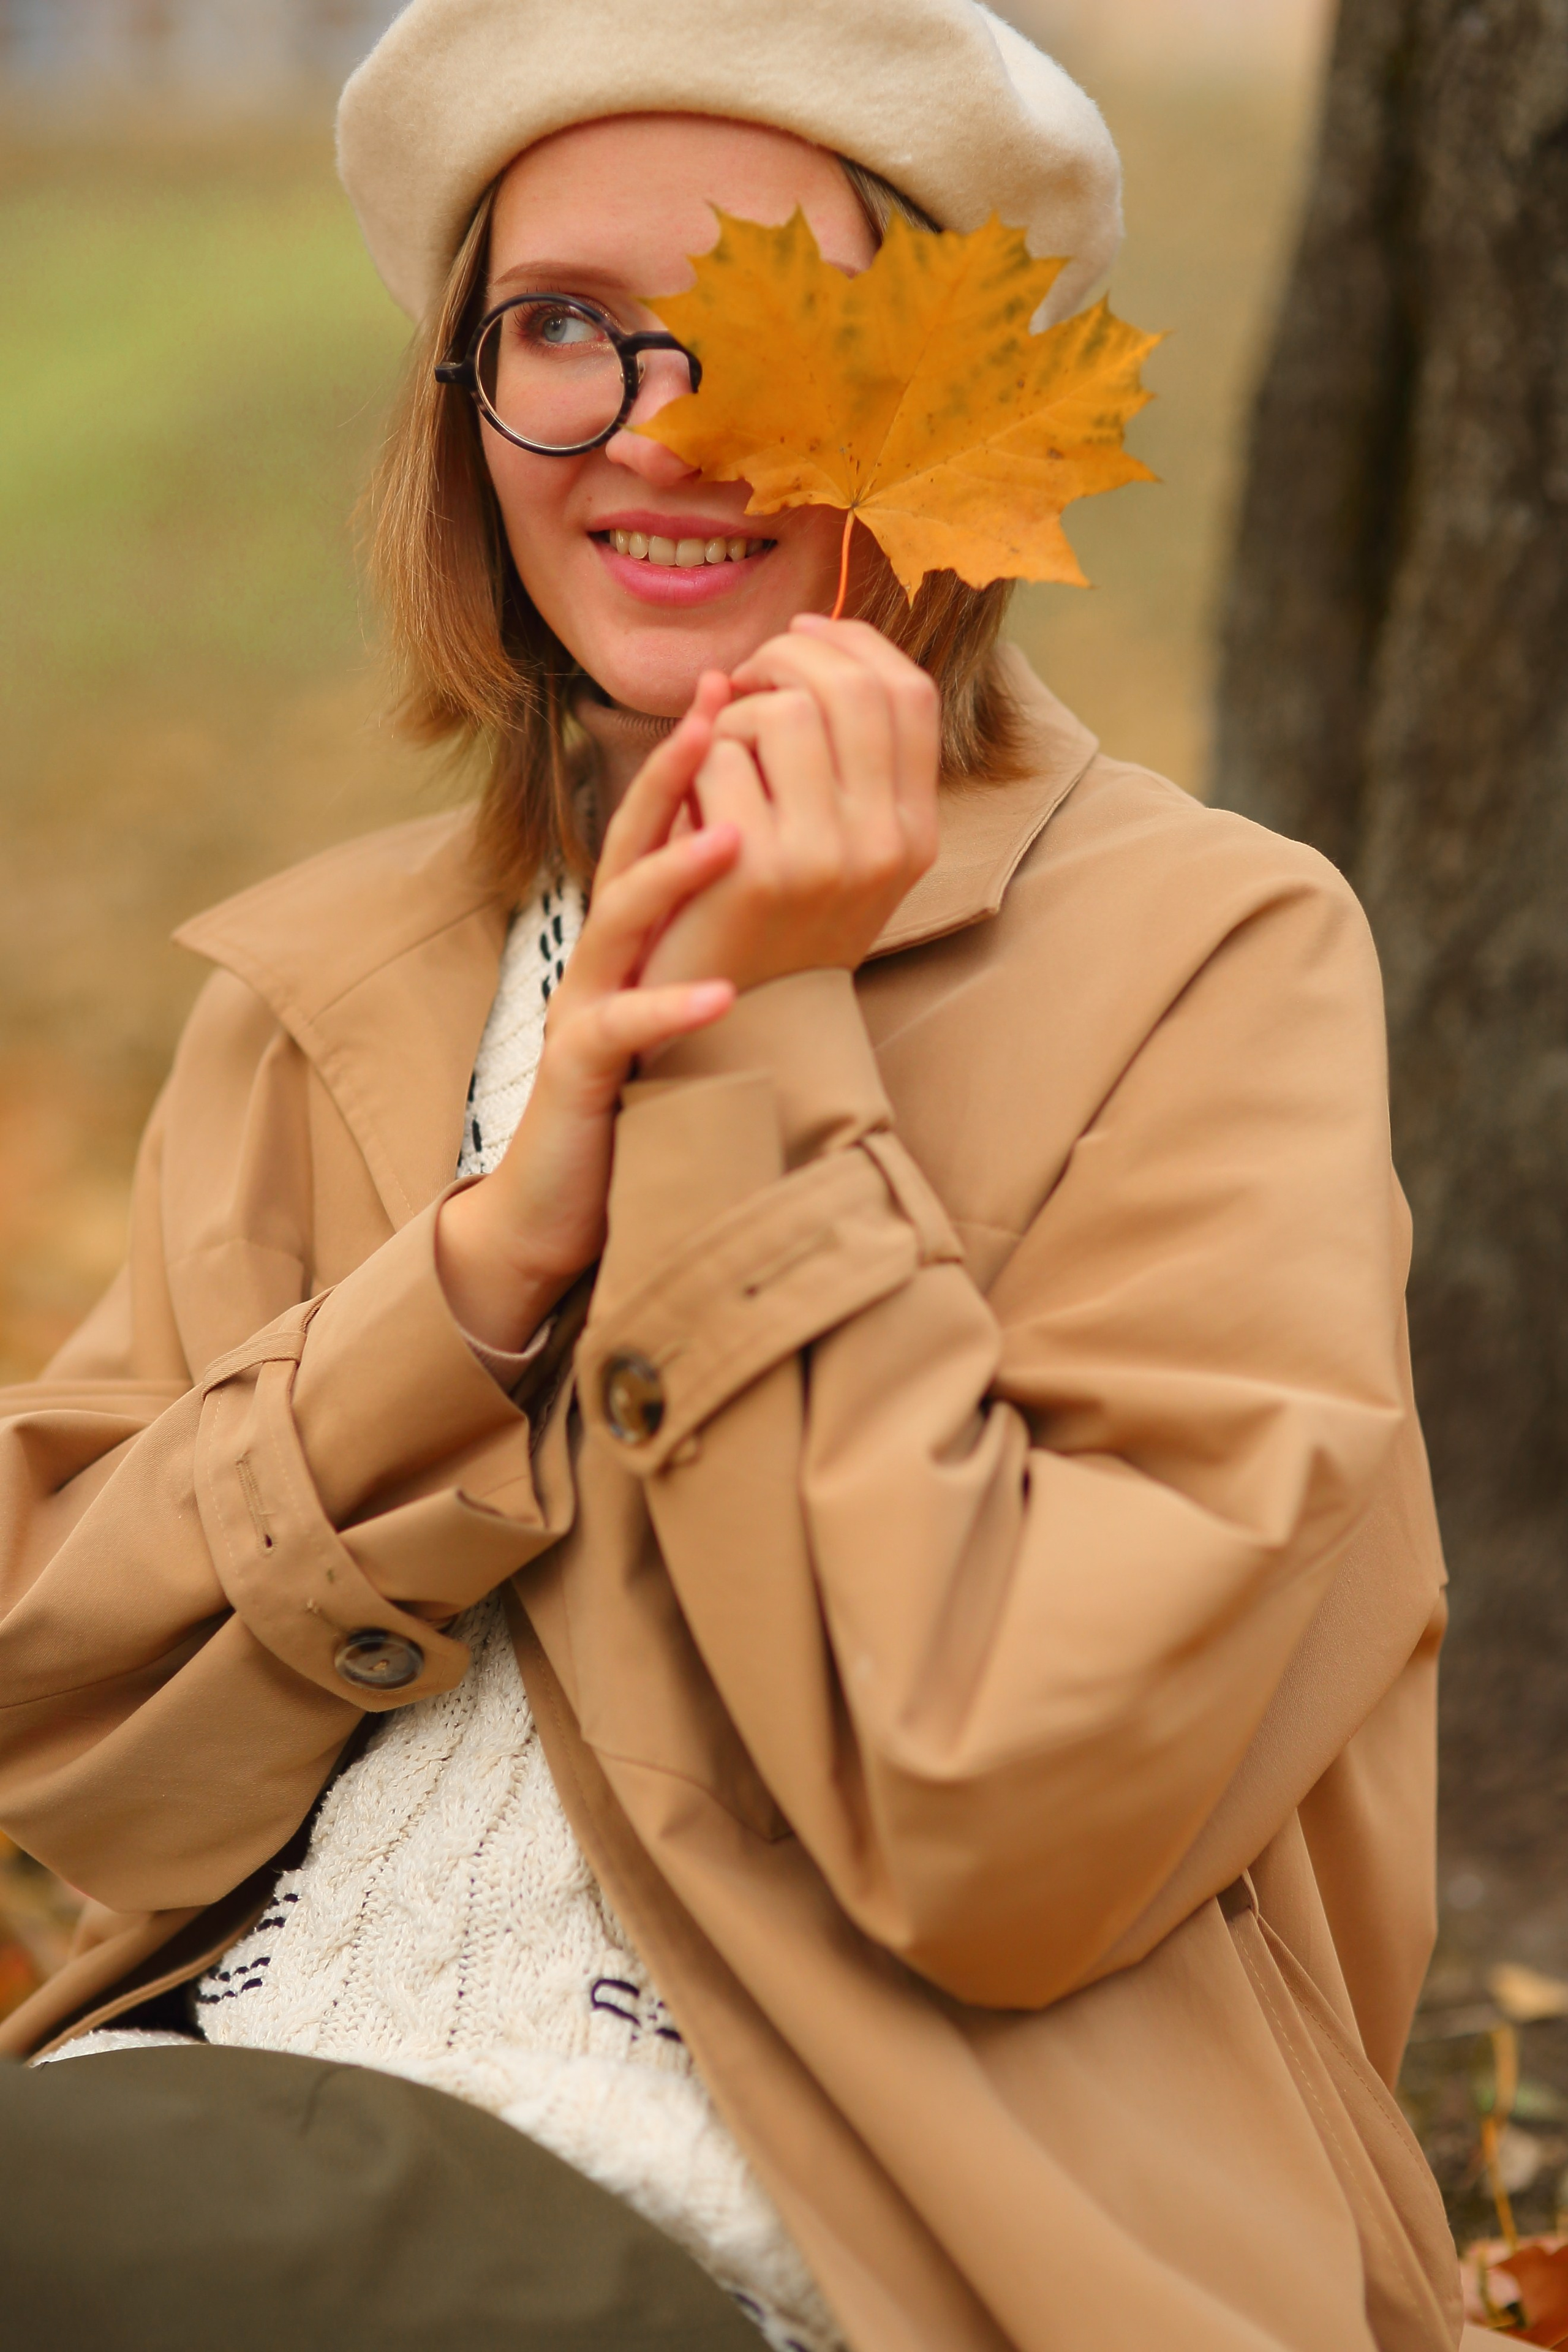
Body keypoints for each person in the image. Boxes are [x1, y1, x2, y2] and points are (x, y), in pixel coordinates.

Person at [0, 4, 1463, 2348]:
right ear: (466, 399)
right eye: (561, 326)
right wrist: (479, 1280)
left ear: (947, 412)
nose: (656, 427)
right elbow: (72, 1732)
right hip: (199, 2117)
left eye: (772, 333)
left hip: (827, 2234)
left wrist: (761, 1036)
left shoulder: (1212, 956)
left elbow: (1015, 1817)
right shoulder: (317, 993)